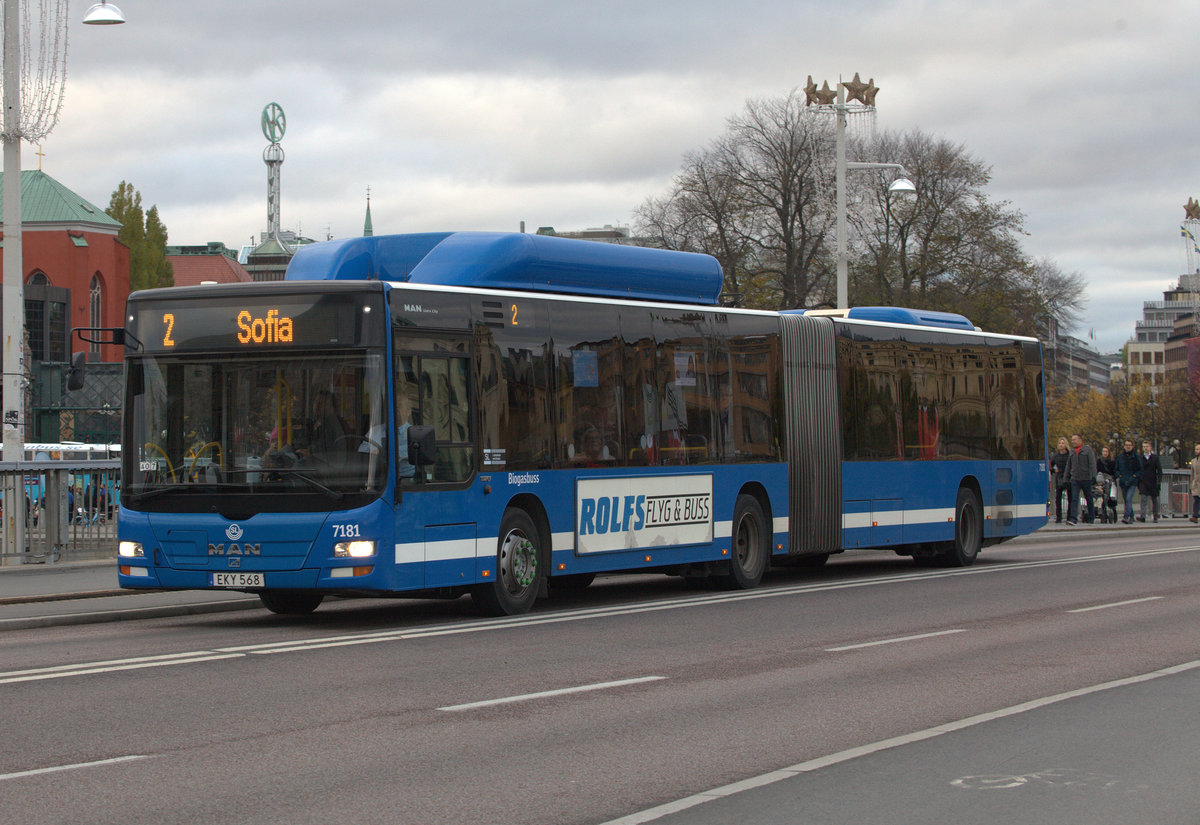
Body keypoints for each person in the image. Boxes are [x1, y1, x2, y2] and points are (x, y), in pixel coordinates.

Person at [1064, 433, 1096, 525]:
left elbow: (1092, 463)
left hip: (1086, 478)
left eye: (1074, 439)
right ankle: (1073, 518)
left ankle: (1091, 517)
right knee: (1074, 498)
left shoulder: (1087, 450)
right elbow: (1068, 466)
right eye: (1072, 440)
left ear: (1080, 440)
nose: (1073, 441)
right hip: (1075, 479)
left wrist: (1094, 476)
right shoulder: (1072, 452)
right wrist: (1066, 478)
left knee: (1088, 498)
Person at [1114, 439, 1142, 524]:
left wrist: (1134, 476)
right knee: (1126, 500)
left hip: (1132, 481)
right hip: (1123, 481)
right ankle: (1132, 516)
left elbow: (1140, 469)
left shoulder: (1136, 457)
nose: (1128, 447)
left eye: (1129, 445)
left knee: (1128, 498)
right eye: (1126, 445)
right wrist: (1119, 475)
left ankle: (1126, 516)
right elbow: (1116, 469)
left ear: (1132, 446)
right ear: (1124, 446)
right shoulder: (1120, 457)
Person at [1138, 439, 1162, 523]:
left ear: (1150, 447)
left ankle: (1155, 516)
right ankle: (1143, 516)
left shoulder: (1155, 457)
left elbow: (1159, 470)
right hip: (1143, 481)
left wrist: (1159, 481)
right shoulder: (1140, 457)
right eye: (1144, 447)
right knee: (1143, 499)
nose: (1145, 448)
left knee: (1154, 500)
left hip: (1153, 481)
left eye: (1147, 447)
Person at [1050, 437, 1070, 523]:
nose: (1061, 445)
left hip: (1068, 478)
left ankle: (1069, 517)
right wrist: (1054, 470)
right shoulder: (1055, 456)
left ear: (1066, 445)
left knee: (1071, 498)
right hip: (1059, 478)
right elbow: (1050, 465)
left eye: (1063, 443)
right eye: (1059, 443)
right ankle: (1059, 517)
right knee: (1058, 499)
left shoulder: (1069, 455)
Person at [1190, 443, 1200, 524]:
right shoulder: (1193, 461)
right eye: (1195, 449)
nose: (1196, 451)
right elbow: (1192, 474)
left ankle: (1195, 516)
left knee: (1197, 500)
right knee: (1196, 499)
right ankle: (1195, 516)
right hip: (1196, 484)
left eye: (1198, 449)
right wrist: (1192, 484)